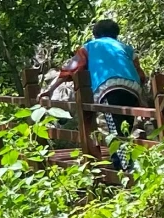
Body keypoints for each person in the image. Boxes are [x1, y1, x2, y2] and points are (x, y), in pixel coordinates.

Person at [56, 18, 147, 161]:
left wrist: (50, 90)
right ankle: (131, 162)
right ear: (116, 34)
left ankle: (123, 167)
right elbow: (141, 75)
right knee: (125, 128)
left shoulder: (89, 47)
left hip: (108, 88)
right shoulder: (126, 48)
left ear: (95, 34)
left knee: (113, 131)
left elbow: (70, 69)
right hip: (132, 88)